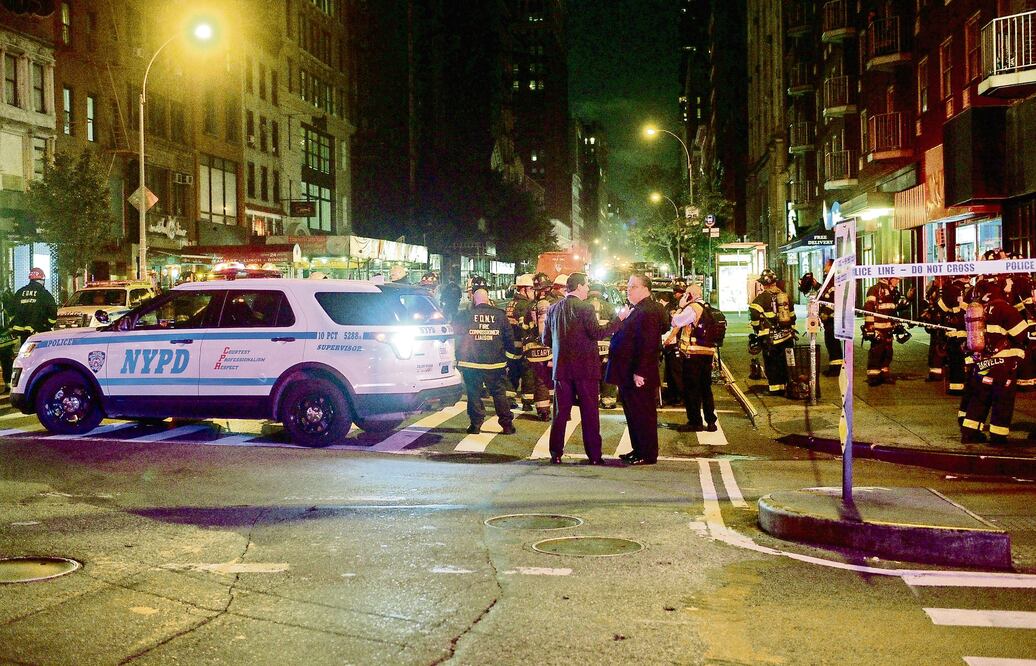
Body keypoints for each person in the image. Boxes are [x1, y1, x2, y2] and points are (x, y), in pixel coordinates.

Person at [542, 273, 622, 464]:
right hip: (585, 368)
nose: (587, 289)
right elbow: (597, 333)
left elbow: (546, 339)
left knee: (560, 413)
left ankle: (556, 453)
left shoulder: (553, 309)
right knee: (590, 413)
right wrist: (618, 320)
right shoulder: (586, 309)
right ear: (578, 287)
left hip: (561, 369)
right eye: (586, 286)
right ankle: (594, 455)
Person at [606, 272, 666, 465]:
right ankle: (638, 449)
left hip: (638, 372)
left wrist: (640, 371)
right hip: (628, 371)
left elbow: (648, 344)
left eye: (633, 286)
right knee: (633, 413)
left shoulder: (647, 310)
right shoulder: (640, 309)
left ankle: (646, 453)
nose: (628, 290)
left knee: (642, 413)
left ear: (644, 289)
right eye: (628, 286)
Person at [960, 277, 1028, 444]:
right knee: (1002, 401)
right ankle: (998, 436)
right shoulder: (1004, 308)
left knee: (979, 398)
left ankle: (969, 433)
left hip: (982, 362)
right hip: (1003, 365)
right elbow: (1022, 334)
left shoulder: (979, 309)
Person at [454, 278, 518, 435]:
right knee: (498, 393)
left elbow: (457, 336)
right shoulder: (500, 315)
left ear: (474, 300)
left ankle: (475, 425)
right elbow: (509, 339)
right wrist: (508, 360)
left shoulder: (465, 315)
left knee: (473, 393)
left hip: (471, 363)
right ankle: (507, 425)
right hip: (495, 364)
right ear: (488, 299)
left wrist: (458, 358)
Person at [668, 283, 718, 432]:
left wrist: (681, 306)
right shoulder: (707, 307)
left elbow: (675, 321)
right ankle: (711, 421)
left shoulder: (692, 308)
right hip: (707, 352)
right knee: (705, 388)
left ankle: (695, 421)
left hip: (693, 354)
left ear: (689, 295)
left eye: (686, 294)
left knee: (692, 388)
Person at [749, 268, 795, 396]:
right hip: (787, 336)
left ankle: (775, 388)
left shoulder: (762, 298)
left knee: (772, 363)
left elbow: (754, 315)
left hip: (770, 338)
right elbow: (792, 316)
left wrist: (757, 329)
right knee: (784, 362)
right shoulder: (785, 296)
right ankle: (786, 385)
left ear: (763, 284)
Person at [521, 272, 556, 420]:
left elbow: (524, 327)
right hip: (550, 348)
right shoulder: (555, 304)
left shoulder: (530, 305)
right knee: (548, 379)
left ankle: (542, 408)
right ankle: (545, 411)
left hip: (532, 349)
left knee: (538, 378)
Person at [505, 274, 536, 410]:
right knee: (527, 372)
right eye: (531, 289)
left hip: (510, 345)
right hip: (523, 344)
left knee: (512, 371)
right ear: (524, 289)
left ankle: (509, 398)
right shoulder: (526, 305)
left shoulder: (511, 303)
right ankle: (527, 402)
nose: (533, 292)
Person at [586, 282, 618, 409]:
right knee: (607, 371)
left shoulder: (583, 305)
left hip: (589, 346)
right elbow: (616, 326)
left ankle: (591, 399)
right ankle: (608, 400)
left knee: (589, 373)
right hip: (606, 345)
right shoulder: (610, 307)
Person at [862, 276, 898, 386]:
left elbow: (892, 310)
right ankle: (873, 377)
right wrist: (870, 327)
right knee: (876, 352)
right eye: (896, 279)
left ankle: (884, 374)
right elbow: (869, 308)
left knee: (887, 352)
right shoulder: (874, 290)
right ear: (888, 278)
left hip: (888, 328)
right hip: (878, 328)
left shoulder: (893, 292)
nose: (898, 281)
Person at [10, 267, 57, 345]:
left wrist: (17, 323)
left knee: (26, 353)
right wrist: (48, 324)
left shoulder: (19, 292)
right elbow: (53, 311)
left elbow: (11, 310)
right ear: (42, 280)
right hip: (39, 331)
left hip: (23, 333)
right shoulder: (44, 293)